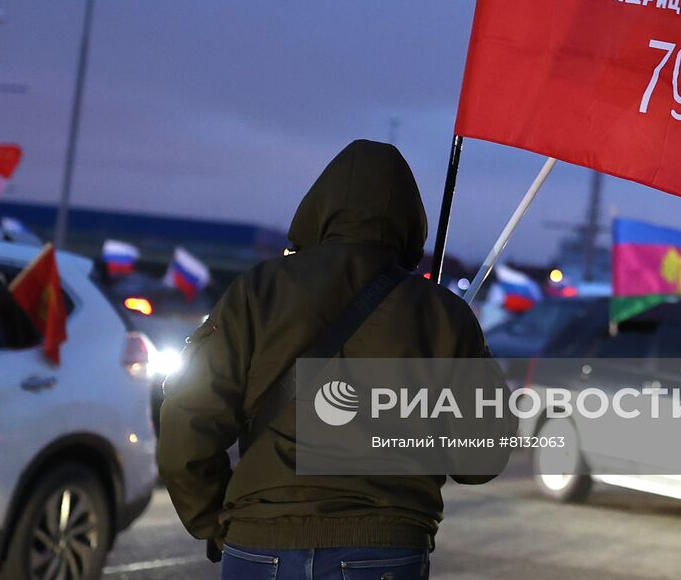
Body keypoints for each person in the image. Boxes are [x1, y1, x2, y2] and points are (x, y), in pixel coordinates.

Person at [158, 140, 501, 579]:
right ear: (411, 221)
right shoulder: (444, 315)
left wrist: (217, 522)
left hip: (261, 542)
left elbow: (188, 423)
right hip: (385, 548)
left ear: (320, 206)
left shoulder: (259, 290)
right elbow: (482, 459)